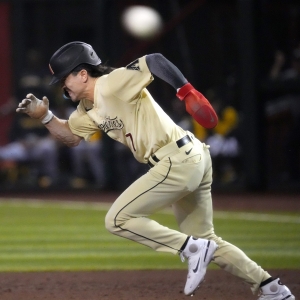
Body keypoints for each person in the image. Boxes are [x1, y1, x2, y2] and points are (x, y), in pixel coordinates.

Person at [16, 41, 294, 299]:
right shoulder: (87, 109)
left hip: (177, 160)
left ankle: (190, 248)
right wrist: (46, 117)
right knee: (207, 239)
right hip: (187, 158)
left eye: (64, 79)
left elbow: (155, 60)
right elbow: (71, 137)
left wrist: (186, 91)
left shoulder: (112, 83)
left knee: (117, 220)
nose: (62, 88)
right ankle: (270, 287)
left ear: (83, 74)